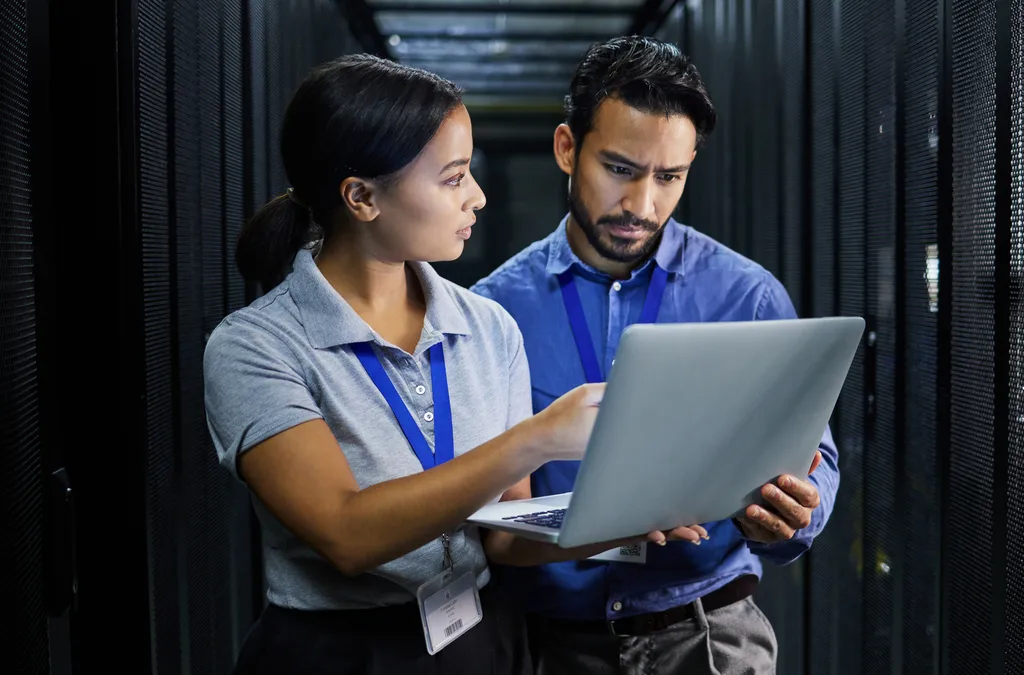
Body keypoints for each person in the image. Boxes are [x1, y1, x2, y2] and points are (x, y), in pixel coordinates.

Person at [203, 54, 702, 675]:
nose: (478, 197)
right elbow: (346, 534)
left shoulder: (488, 326)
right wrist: (538, 438)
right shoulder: (257, 346)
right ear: (362, 197)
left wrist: (625, 519)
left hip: (483, 641)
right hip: (340, 653)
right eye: (453, 177)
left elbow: (502, 534)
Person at [470, 36, 841, 675]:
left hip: (706, 633)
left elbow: (815, 457)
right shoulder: (492, 310)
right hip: (542, 642)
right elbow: (476, 498)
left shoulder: (746, 296)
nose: (643, 206)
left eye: (669, 177)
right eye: (620, 169)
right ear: (567, 149)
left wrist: (796, 510)